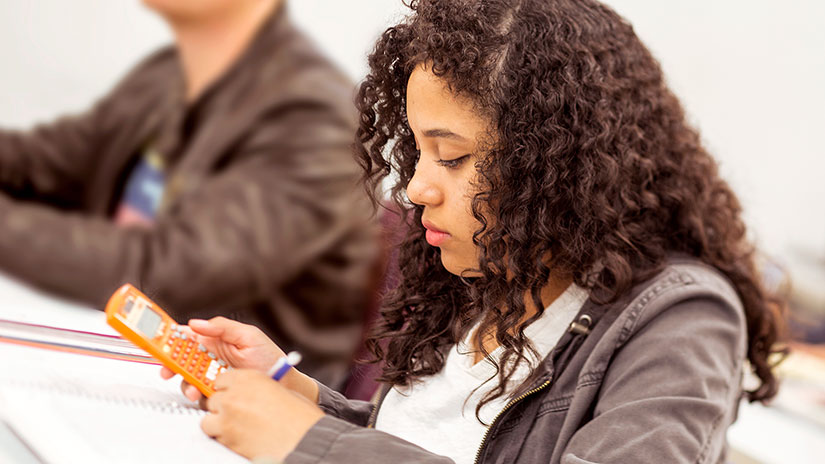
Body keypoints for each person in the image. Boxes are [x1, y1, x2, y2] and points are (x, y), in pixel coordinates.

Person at [162, 0, 786, 462]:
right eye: (418, 152)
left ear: (556, 163)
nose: (415, 189)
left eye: (453, 157)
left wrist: (310, 443)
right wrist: (293, 392)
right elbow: (429, 445)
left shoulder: (683, 319)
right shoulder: (492, 270)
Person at [0, 0, 378, 389]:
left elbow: (161, 273)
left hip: (235, 397)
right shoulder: (170, 72)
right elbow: (47, 160)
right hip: (117, 339)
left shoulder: (312, 116)